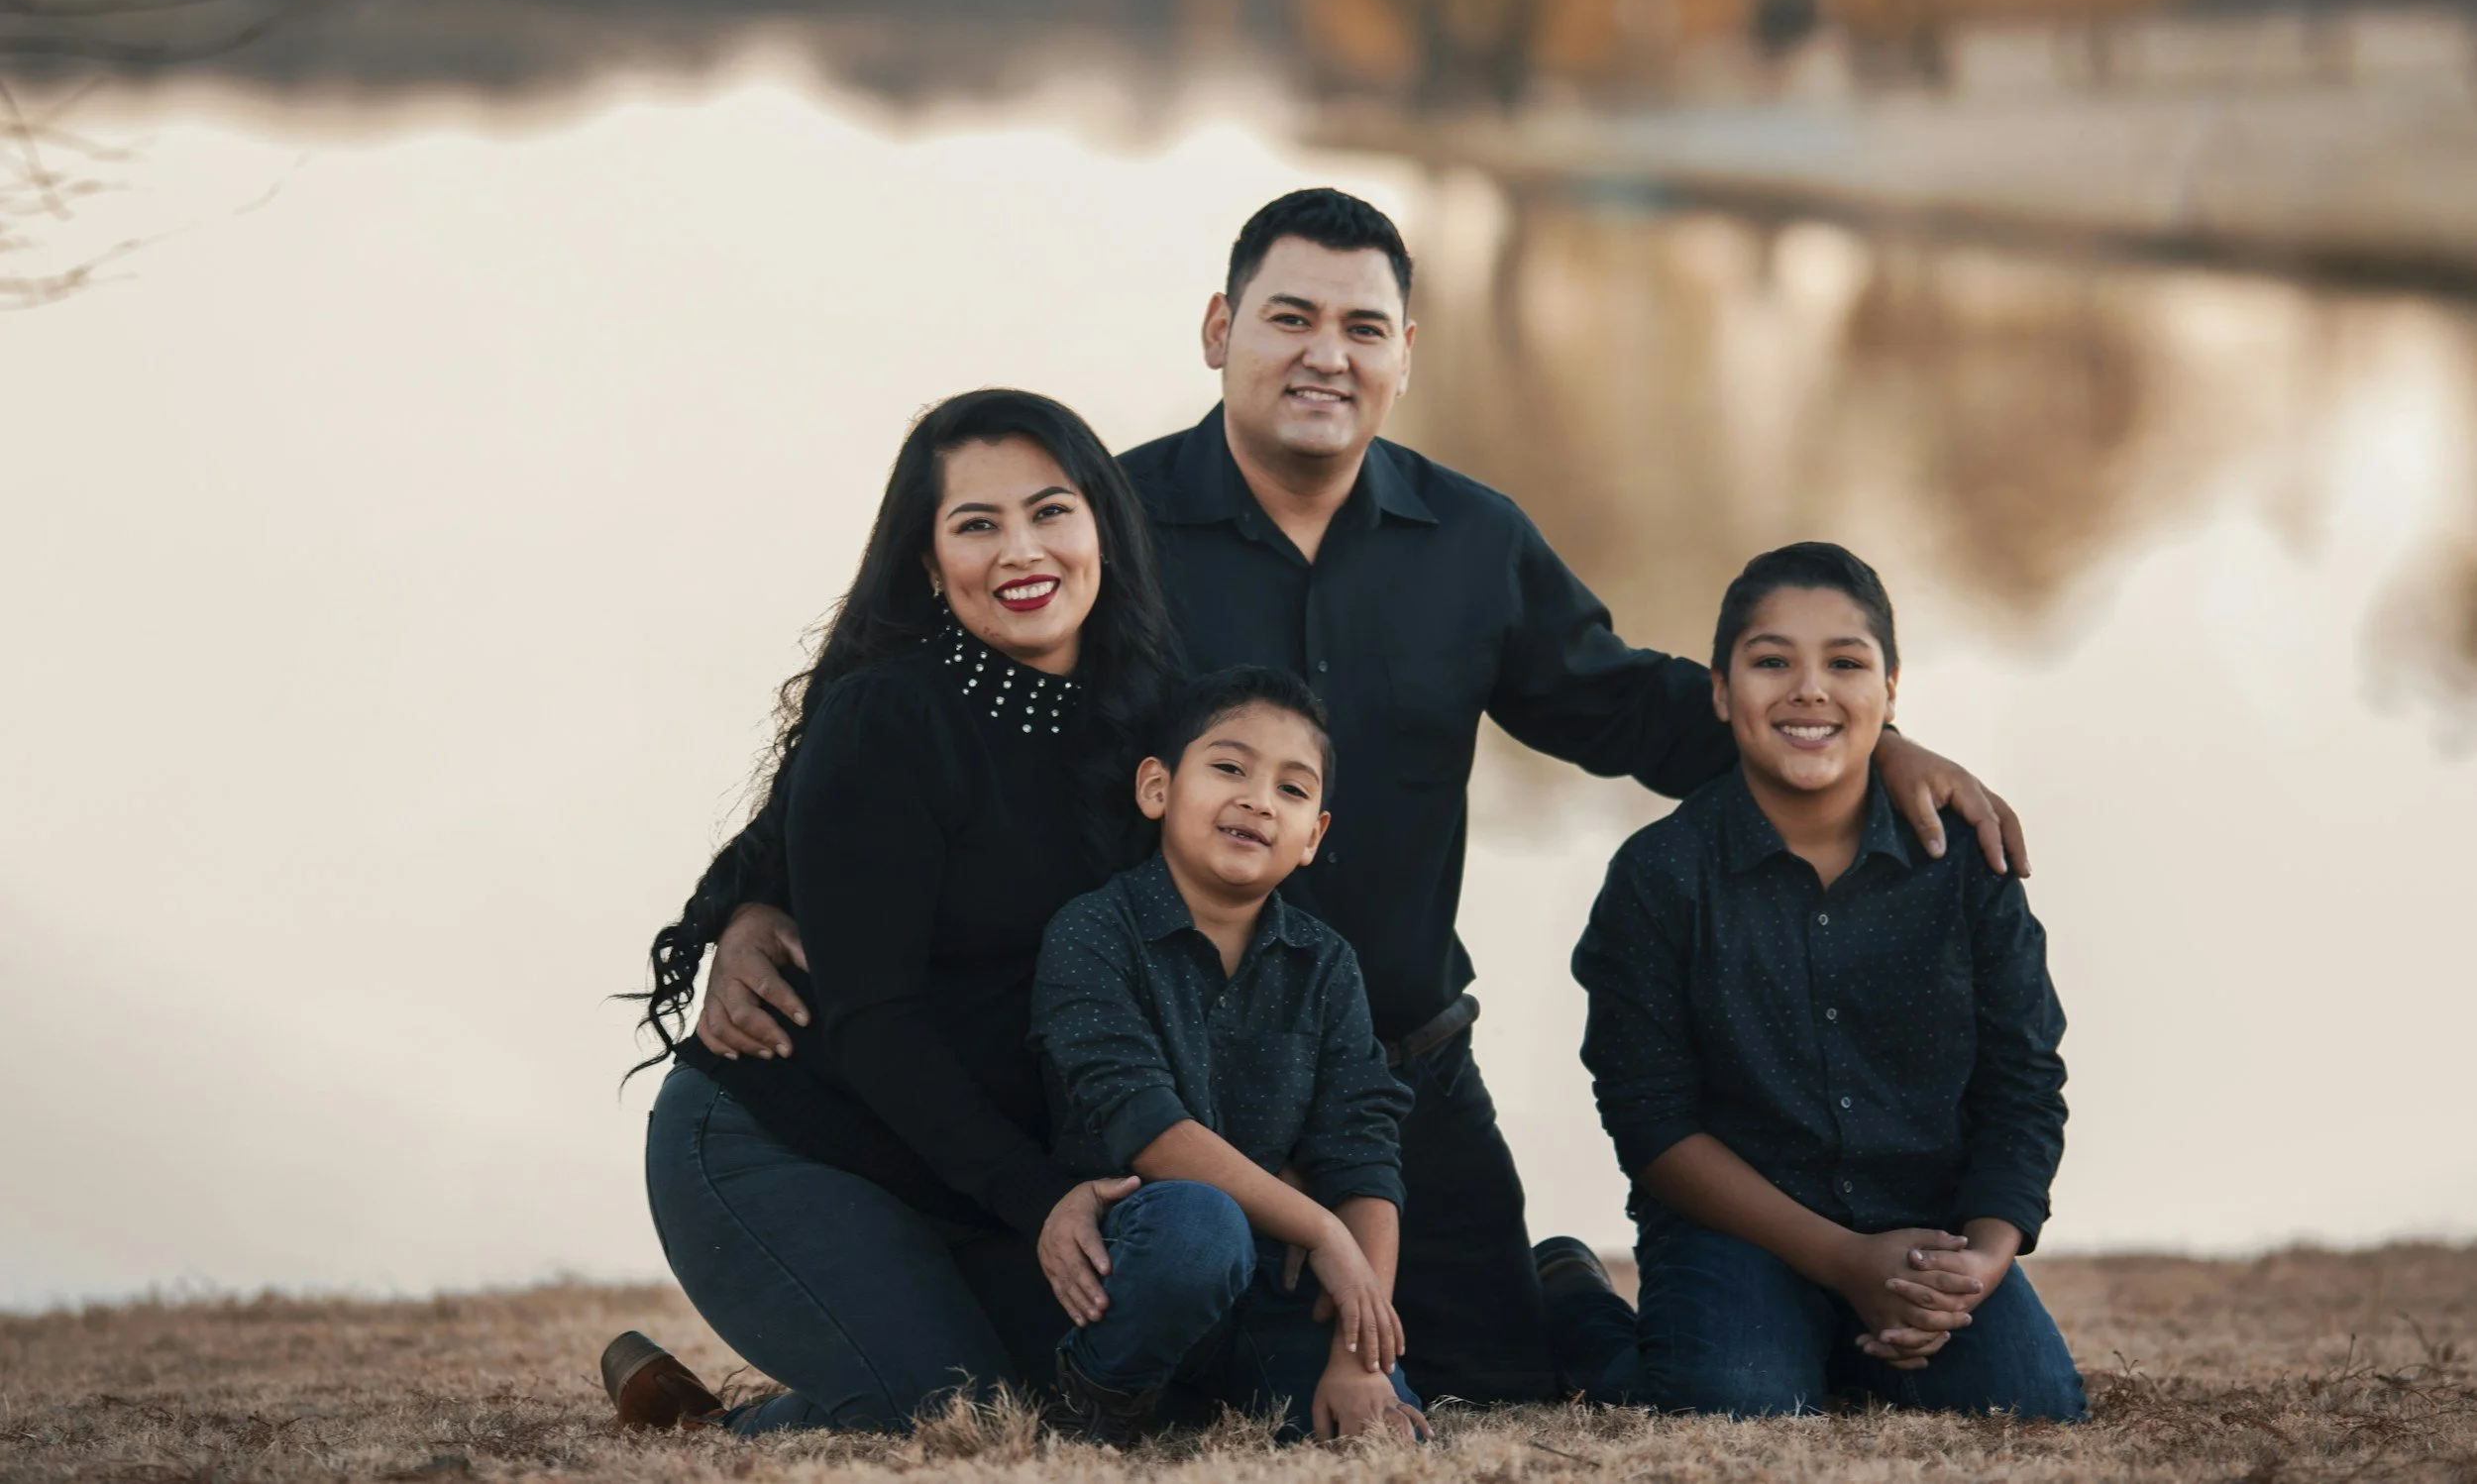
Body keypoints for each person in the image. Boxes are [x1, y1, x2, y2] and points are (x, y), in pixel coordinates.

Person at [689, 190, 2033, 1402]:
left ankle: (1550, 1279)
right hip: (1189, 1073)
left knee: (1505, 1375)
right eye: (1288, 316)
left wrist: (1869, 745)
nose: (1325, 352)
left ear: (1404, 356)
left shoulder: (1476, 539)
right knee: (1222, 1369)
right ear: (1220, 329)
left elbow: (1627, 704)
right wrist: (756, 896)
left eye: (1362, 325)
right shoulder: (1108, 526)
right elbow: (934, 716)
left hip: (1401, 1065)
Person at [604, 389, 1179, 1432]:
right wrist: (1041, 1196)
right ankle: (699, 1430)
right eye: (975, 524)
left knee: (1098, 1388)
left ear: (1103, 524)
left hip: (958, 1168)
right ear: (926, 563)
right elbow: (874, 1020)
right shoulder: (890, 715)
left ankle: (833, 1371)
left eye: (1050, 511)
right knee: (951, 1415)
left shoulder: (1146, 719)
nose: (1021, 550)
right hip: (783, 1141)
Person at [1546, 543, 2083, 1421]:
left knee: (2030, 1404)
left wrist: (1978, 1262)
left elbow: (2025, 1079)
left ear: (1892, 688)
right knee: (1735, 1400)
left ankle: (1834, 1345)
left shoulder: (1965, 865)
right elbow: (1648, 1118)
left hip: (1922, 1225)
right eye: (1771, 662)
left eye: (1845, 661)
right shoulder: (1661, 875)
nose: (1809, 689)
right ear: (1720, 691)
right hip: (1740, 1229)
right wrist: (1841, 1262)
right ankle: (1571, 1299)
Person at [1029, 668, 1425, 1444]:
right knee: (1202, 1227)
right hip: (1136, 1262)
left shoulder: (1325, 964)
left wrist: (1357, 1356)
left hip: (1274, 1287)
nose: (1257, 800)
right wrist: (1324, 1231)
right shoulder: (1093, 933)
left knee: (1379, 1434)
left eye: (1291, 788)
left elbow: (1363, 1153)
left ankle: (1208, 1398)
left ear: (1313, 835)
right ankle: (1098, 1395)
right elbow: (1147, 1127)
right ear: (1157, 788)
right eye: (1229, 767)